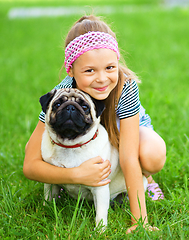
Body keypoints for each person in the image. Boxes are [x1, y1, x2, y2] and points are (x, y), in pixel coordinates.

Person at [23, 15, 166, 234]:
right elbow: (30, 165)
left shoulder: (125, 87)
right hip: (86, 138)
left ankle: (145, 179)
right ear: (71, 71)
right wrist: (76, 175)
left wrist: (139, 221)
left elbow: (128, 156)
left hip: (123, 132)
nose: (101, 78)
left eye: (110, 67)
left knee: (151, 153)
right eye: (89, 70)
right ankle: (69, 184)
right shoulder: (61, 97)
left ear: (117, 61)